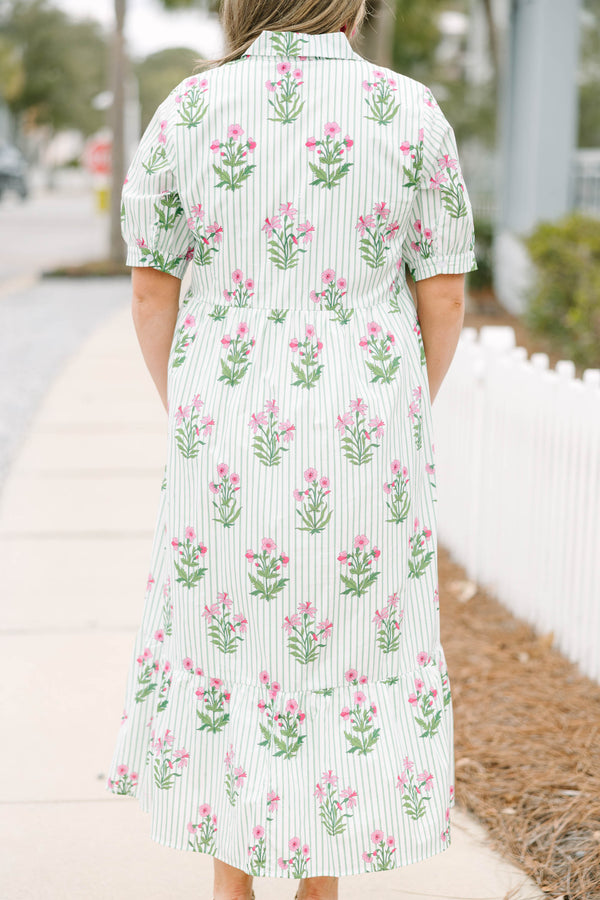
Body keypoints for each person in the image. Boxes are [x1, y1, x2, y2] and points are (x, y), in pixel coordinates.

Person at [105, 1, 477, 899]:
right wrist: (395, 408)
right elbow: (447, 297)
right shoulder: (409, 109)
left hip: (225, 424)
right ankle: (319, 888)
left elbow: (155, 292)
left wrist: (191, 406)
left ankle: (232, 884)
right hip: (367, 430)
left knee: (236, 647)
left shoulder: (190, 110)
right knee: (346, 653)